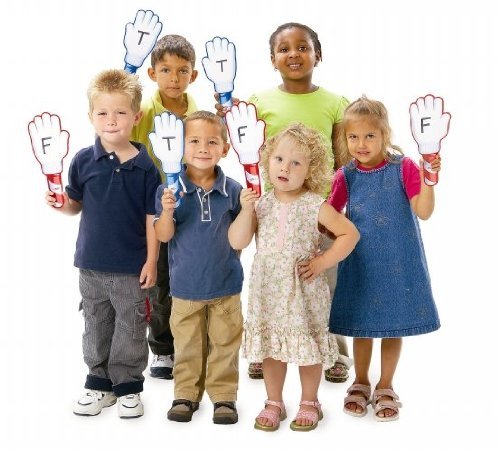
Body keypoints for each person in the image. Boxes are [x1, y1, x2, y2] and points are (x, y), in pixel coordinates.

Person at [217, 22, 352, 382]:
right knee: (275, 280)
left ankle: (333, 350)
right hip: (274, 208)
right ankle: (268, 347)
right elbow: (243, 142)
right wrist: (225, 112)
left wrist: (337, 206)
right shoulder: (259, 102)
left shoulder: (335, 103)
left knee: (326, 282)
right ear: (272, 58)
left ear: (318, 55)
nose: (294, 54)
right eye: (284, 49)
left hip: (320, 210)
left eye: (303, 47)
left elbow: (344, 160)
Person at [45, 69, 161, 418]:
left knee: (131, 326)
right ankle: (98, 383)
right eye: (103, 113)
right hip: (91, 264)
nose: (111, 120)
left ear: (136, 117)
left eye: (121, 112)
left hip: (131, 267)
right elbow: (76, 204)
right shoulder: (83, 160)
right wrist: (62, 205)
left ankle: (127, 387)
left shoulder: (146, 167)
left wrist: (151, 261)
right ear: (90, 116)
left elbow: (151, 218)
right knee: (95, 323)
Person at [229, 123, 359, 431]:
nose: (285, 168)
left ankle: (310, 401)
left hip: (303, 292)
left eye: (296, 163)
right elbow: (238, 241)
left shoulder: (314, 205)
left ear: (310, 170)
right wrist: (246, 211)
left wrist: (323, 261)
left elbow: (349, 234)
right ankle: (274, 401)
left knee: (307, 348)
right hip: (269, 293)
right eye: (279, 159)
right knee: (271, 348)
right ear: (267, 161)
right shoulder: (261, 203)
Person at [328, 96, 441, 422]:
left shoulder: (403, 168)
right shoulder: (346, 175)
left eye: (369, 136)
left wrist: (429, 178)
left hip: (398, 261)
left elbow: (424, 211)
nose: (361, 144)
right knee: (361, 326)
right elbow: (329, 216)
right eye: (353, 137)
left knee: (394, 324)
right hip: (360, 263)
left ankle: (386, 384)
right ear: (345, 138)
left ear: (384, 135)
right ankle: (361, 381)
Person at [154, 111, 243, 425]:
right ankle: (185, 394)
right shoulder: (169, 190)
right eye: (193, 141)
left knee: (225, 345)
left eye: (212, 142)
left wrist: (250, 208)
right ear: (179, 147)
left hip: (225, 285)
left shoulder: (233, 190)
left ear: (225, 148)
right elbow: (163, 235)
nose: (203, 148)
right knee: (187, 345)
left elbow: (241, 237)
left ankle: (224, 396)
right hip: (185, 287)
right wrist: (167, 211)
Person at [130, 34, 199, 380]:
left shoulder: (198, 112)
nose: (174, 78)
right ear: (153, 73)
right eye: (166, 70)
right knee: (159, 281)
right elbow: (121, 132)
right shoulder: (144, 111)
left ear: (193, 75)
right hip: (154, 211)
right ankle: (162, 349)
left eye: (182, 70)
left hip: (192, 208)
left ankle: (192, 343)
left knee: (189, 277)